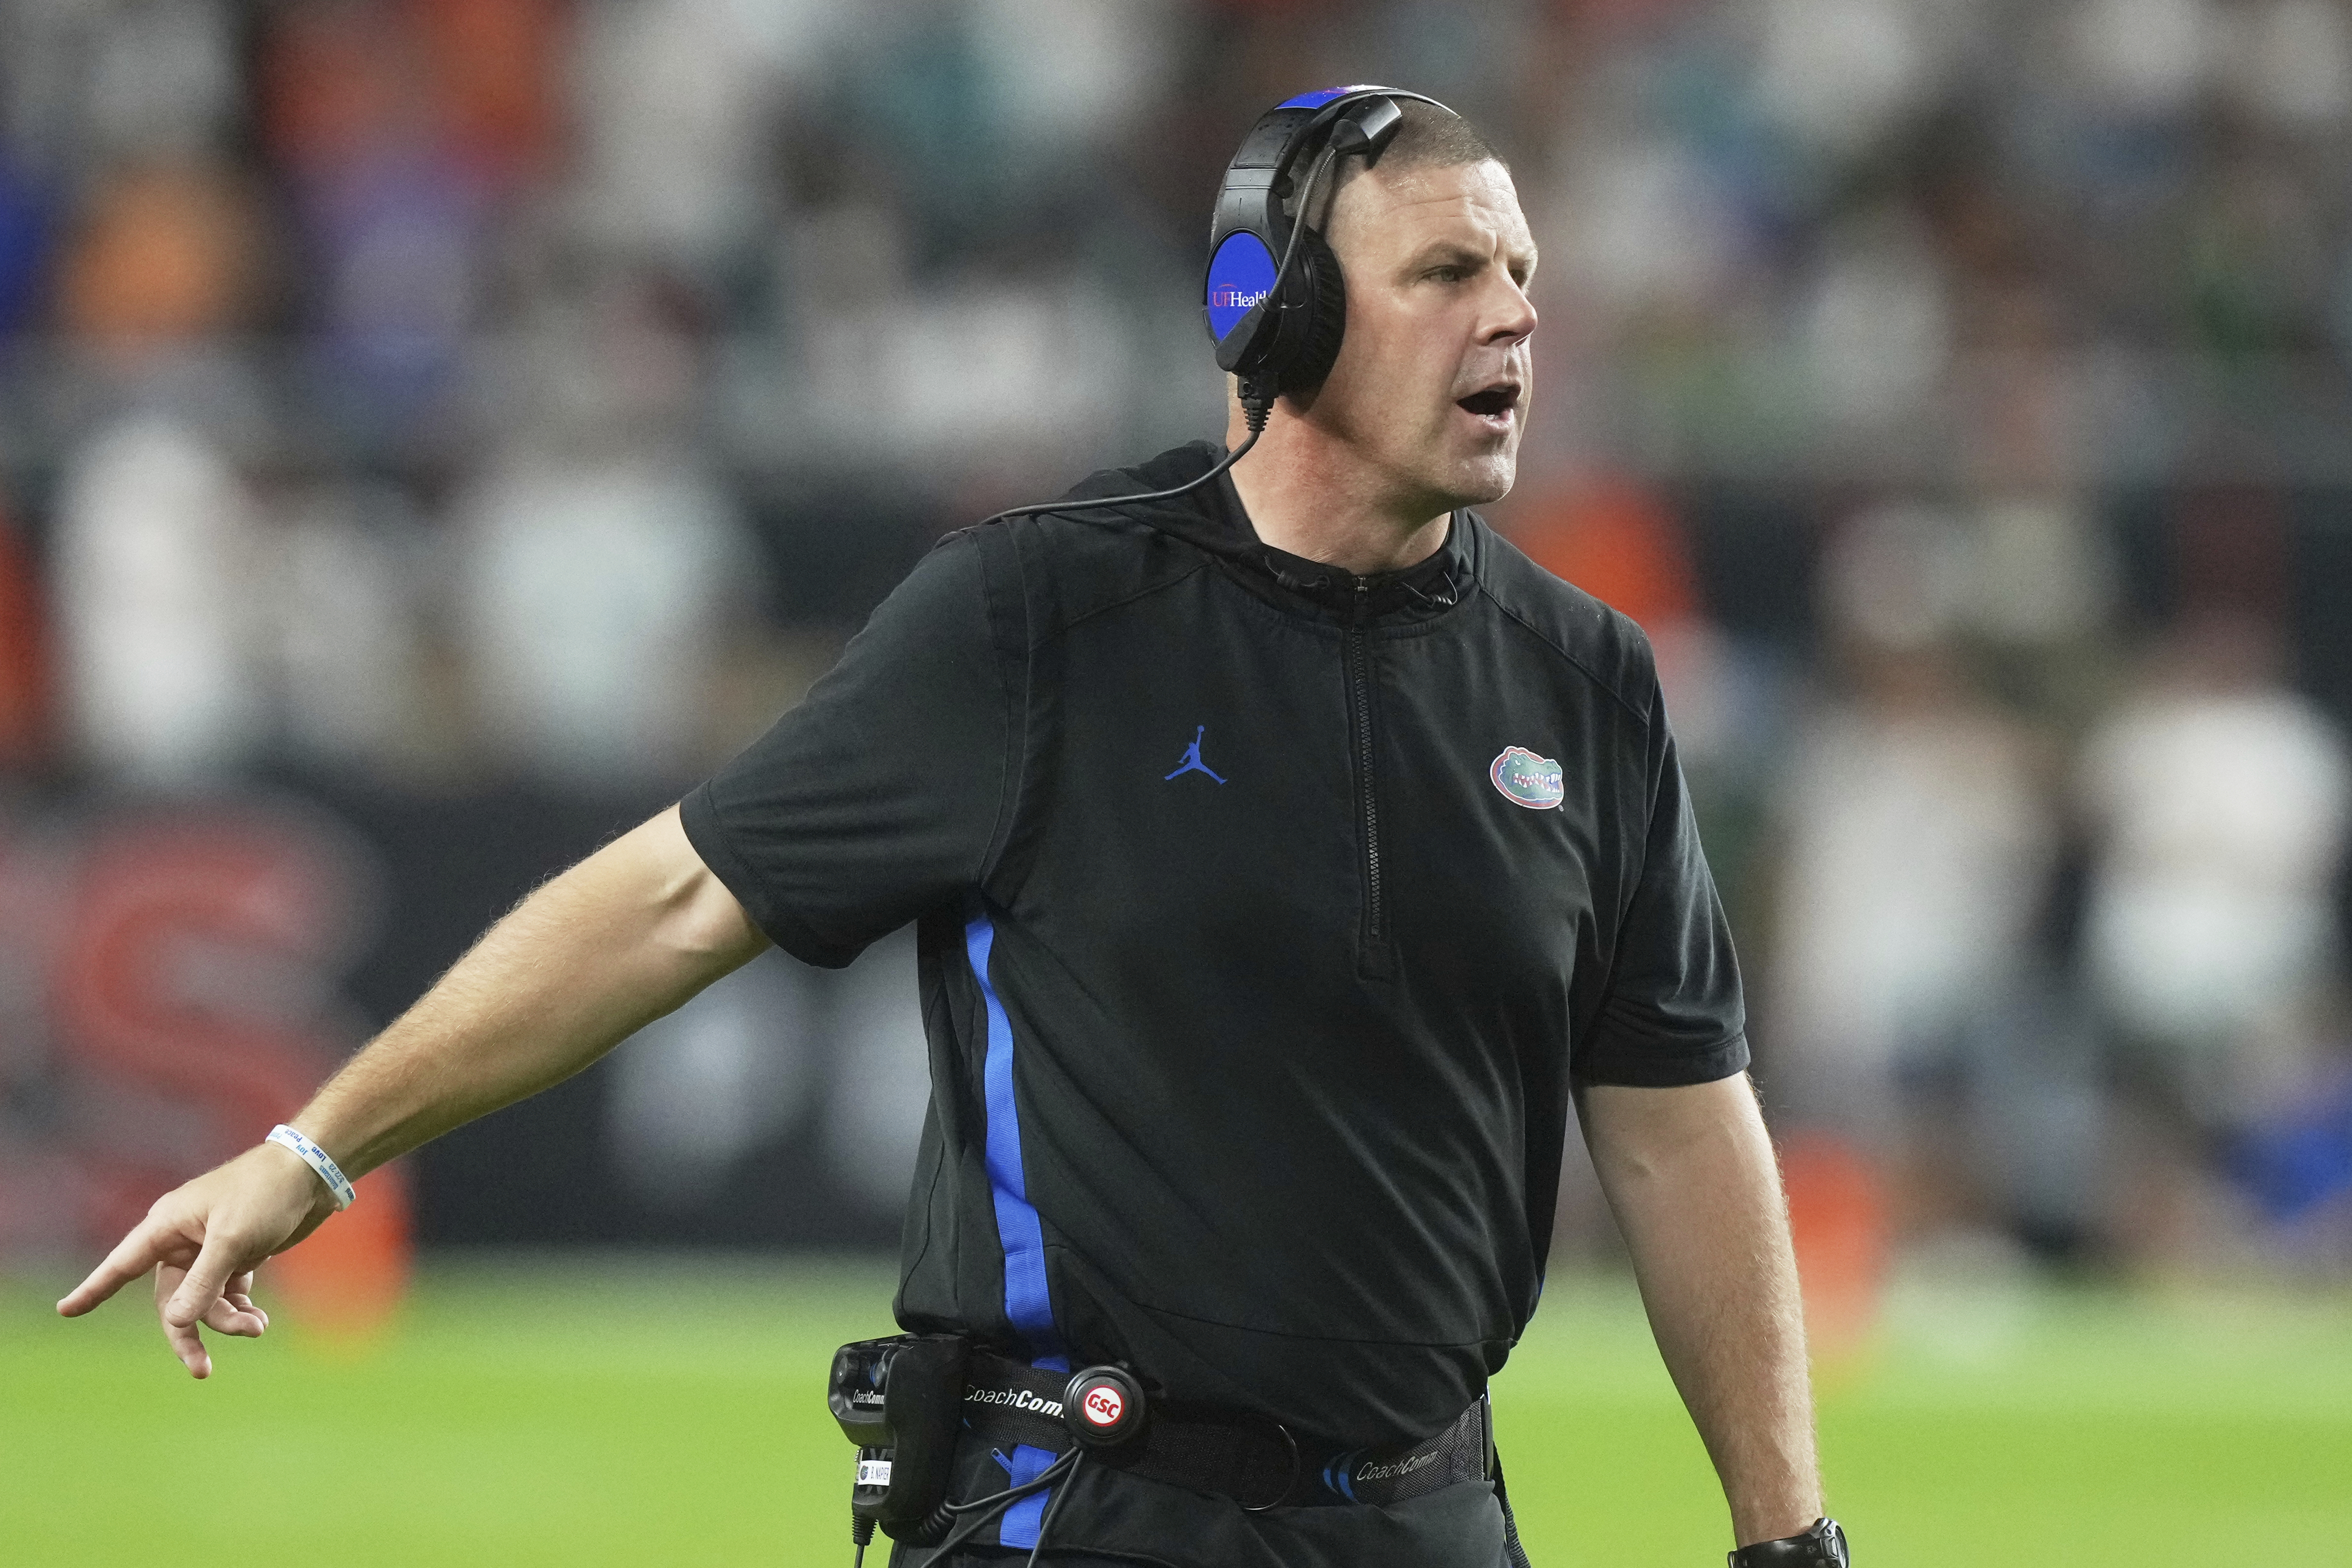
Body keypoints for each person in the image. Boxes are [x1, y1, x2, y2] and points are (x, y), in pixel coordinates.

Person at [58, 90, 1840, 1568]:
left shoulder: (1586, 679)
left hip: (1431, 1515)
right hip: (1074, 1507)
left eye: (1521, 270)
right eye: (1448, 271)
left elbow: (1679, 1122)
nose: (1514, 315)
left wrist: (1786, 1535)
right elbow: (680, 895)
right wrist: (313, 1152)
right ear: (1272, 312)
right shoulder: (1041, 617)